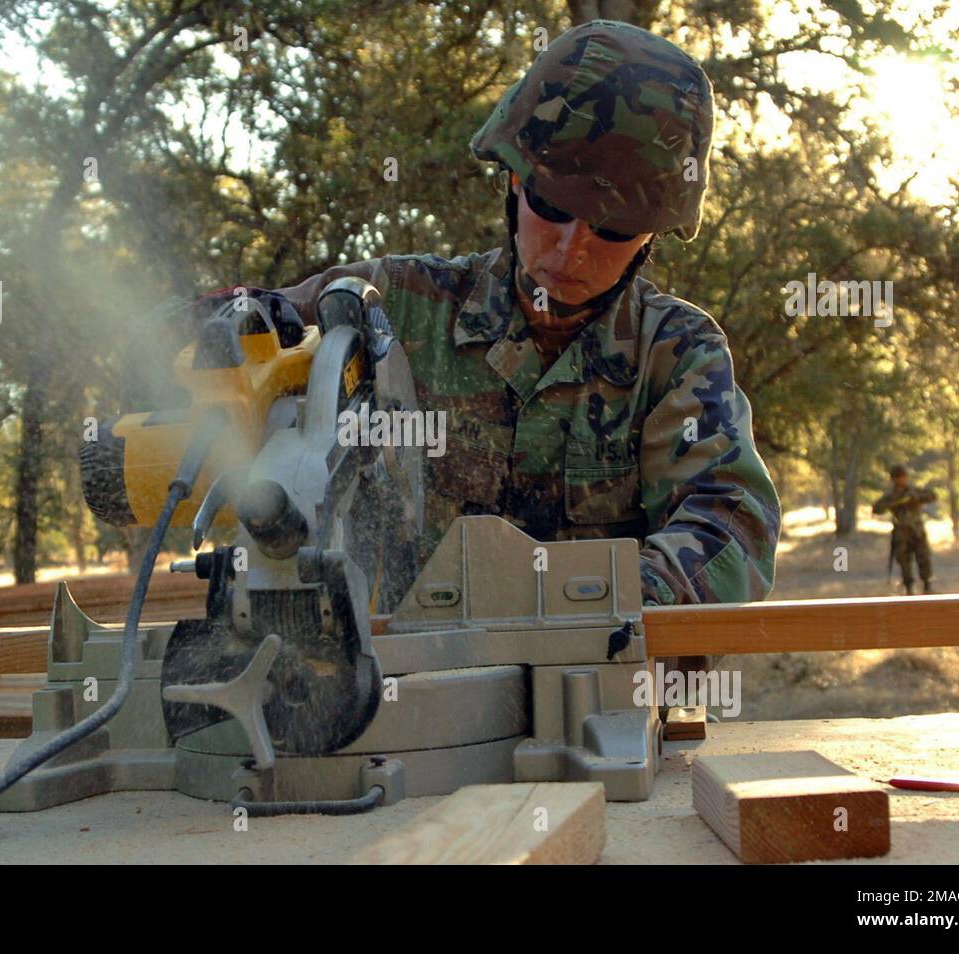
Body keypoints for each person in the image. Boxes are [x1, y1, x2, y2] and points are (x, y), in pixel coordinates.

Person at [193, 20, 781, 609]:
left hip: (600, 680)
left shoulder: (676, 352)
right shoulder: (391, 304)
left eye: (613, 227)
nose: (571, 248)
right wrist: (223, 337)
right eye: (551, 204)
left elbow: (730, 529)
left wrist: (598, 609)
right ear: (512, 181)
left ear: (652, 235)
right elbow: (213, 331)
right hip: (407, 684)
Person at [872, 464, 936, 595]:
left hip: (917, 531)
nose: (901, 480)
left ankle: (927, 585)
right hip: (901, 533)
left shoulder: (913, 491)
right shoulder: (891, 495)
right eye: (898, 477)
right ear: (893, 479)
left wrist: (916, 499)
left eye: (902, 477)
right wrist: (893, 504)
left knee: (923, 558)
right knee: (904, 561)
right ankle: (909, 587)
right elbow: (877, 508)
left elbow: (932, 495)